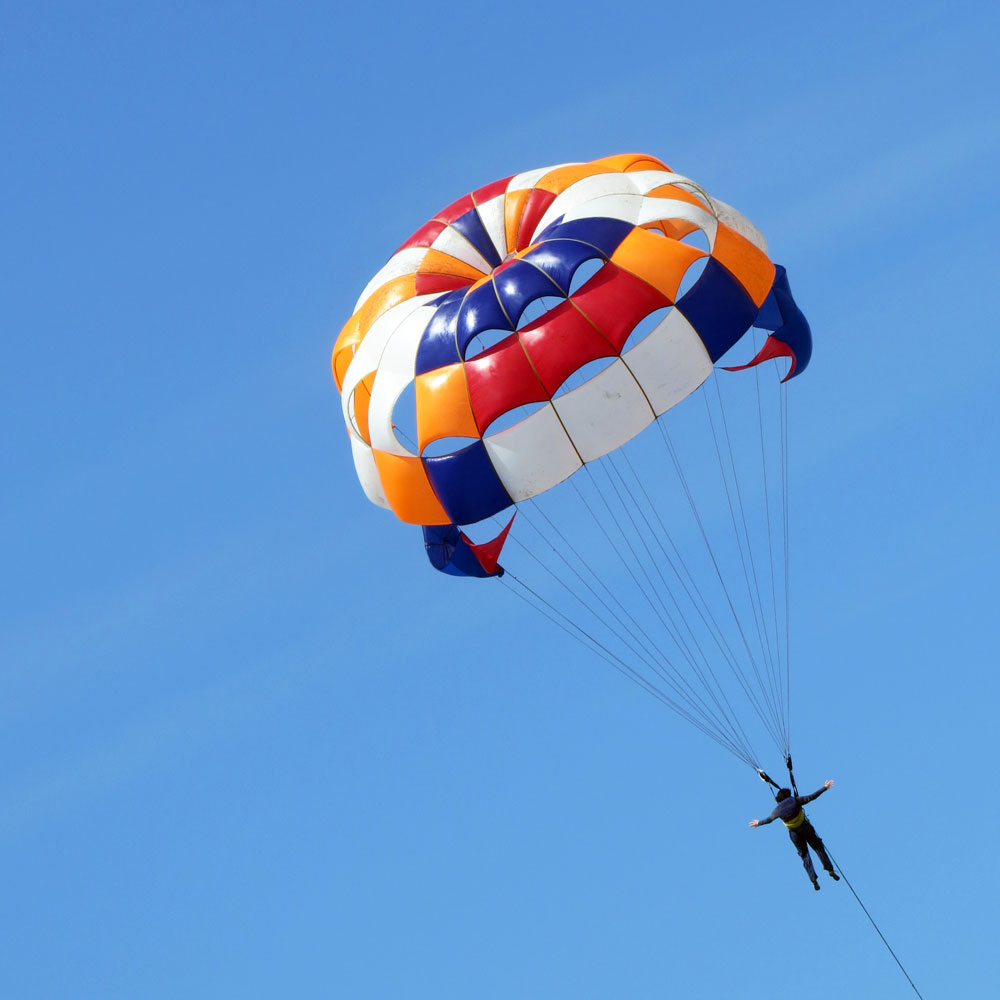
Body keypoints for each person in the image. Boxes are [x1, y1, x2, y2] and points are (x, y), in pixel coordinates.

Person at [749, 779, 839, 890]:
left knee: (804, 855)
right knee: (818, 847)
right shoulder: (795, 800)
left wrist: (758, 823)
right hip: (805, 828)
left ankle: (813, 879)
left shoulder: (777, 810)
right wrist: (824, 787)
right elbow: (812, 797)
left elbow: (769, 820)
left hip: (794, 834)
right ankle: (830, 869)